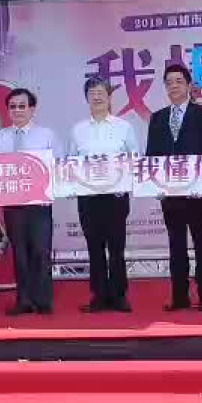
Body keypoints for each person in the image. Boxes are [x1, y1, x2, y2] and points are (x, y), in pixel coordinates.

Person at [146, 64, 202, 311]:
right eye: (169, 82)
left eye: (179, 81)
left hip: (198, 193)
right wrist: (154, 186)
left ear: (189, 85)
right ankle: (179, 297)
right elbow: (151, 156)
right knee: (176, 245)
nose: (174, 86)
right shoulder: (157, 118)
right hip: (170, 193)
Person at [0, 88, 61, 316]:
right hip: (13, 205)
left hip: (39, 204)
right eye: (13, 107)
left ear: (32, 109)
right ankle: (24, 300)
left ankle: (43, 300)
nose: (17, 110)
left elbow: (59, 164)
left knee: (41, 251)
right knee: (19, 253)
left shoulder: (47, 135)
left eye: (22, 106)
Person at [69, 76, 139, 313]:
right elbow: (71, 163)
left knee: (117, 249)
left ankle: (119, 296)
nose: (97, 96)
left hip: (116, 198)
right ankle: (98, 296)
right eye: (92, 93)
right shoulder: (78, 130)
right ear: (86, 98)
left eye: (101, 92)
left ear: (110, 97)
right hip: (88, 199)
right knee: (94, 248)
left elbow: (135, 158)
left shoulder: (124, 127)